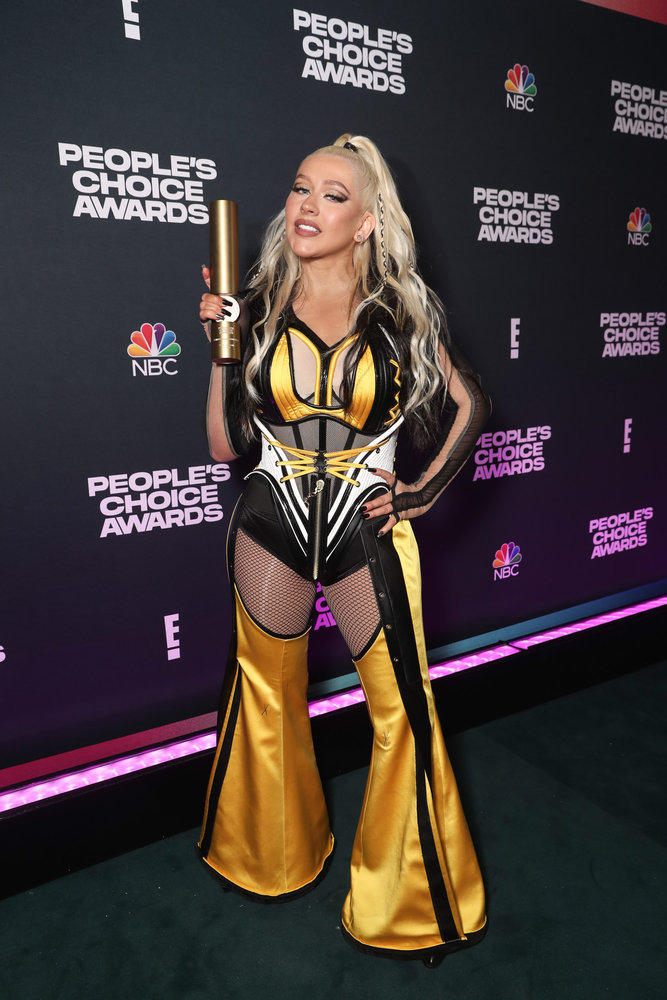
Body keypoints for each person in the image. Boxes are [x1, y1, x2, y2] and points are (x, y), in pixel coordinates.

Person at [197, 133, 490, 967]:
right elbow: (223, 447)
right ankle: (269, 861)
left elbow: (471, 404)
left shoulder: (401, 310)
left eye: (332, 195)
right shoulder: (254, 303)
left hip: (366, 531)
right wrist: (218, 350)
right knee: (266, 695)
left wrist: (419, 493)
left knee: (400, 711)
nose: (307, 206)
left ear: (365, 222)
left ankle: (406, 907)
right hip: (270, 523)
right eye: (300, 187)